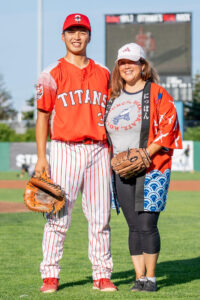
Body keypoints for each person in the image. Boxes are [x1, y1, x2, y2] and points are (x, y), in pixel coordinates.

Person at [35, 13, 117, 293]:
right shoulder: (51, 73)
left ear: (89, 37)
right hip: (64, 149)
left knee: (100, 217)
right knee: (58, 215)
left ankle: (102, 275)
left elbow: (112, 116)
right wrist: (42, 157)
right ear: (63, 36)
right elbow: (43, 117)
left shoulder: (104, 73)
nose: (77, 36)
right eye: (71, 31)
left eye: (82, 31)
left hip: (98, 149)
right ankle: (50, 275)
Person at [105, 43, 182, 292]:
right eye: (122, 63)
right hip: (121, 170)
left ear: (142, 65)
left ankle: (151, 277)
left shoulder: (158, 93)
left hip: (153, 168)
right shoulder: (112, 97)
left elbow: (169, 127)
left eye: (132, 62)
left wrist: (143, 154)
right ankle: (139, 278)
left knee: (148, 224)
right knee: (133, 226)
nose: (127, 66)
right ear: (118, 68)